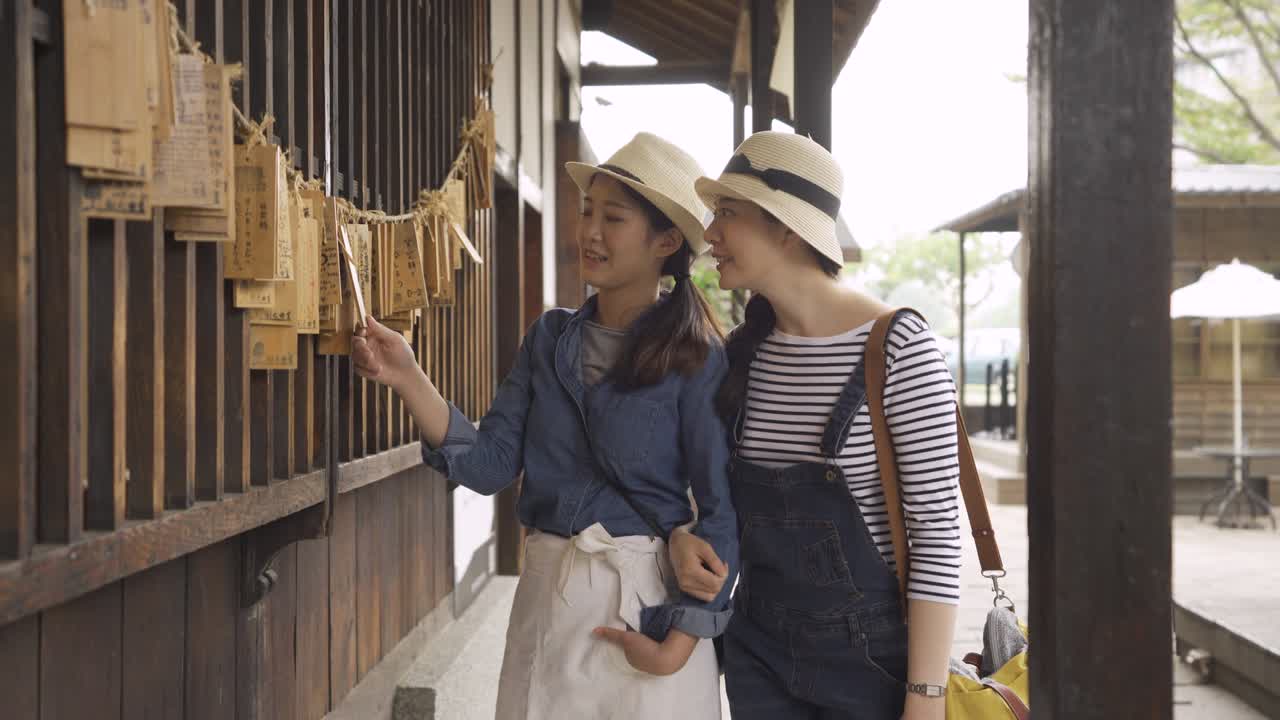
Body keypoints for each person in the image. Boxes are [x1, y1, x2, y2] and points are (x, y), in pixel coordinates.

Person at [352, 132, 737, 719]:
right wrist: (406, 376)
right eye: (587, 212)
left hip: (646, 606)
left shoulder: (697, 357)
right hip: (546, 598)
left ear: (665, 242)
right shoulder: (549, 337)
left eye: (613, 218)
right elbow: (489, 466)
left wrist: (676, 649)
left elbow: (721, 514)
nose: (590, 232)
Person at [669, 131, 961, 720]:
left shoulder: (899, 347)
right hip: (758, 654)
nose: (710, 233)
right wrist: (682, 535)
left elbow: (936, 533)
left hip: (874, 664)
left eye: (728, 213)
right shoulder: (741, 354)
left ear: (786, 229)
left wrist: (926, 697)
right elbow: (705, 494)